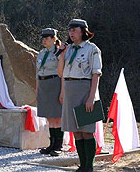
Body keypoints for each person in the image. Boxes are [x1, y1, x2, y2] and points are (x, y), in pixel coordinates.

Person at [57, 19, 102, 172]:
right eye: (70, 31)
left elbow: (96, 74)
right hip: (70, 90)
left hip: (85, 89)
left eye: (74, 30)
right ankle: (82, 165)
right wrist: (62, 54)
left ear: (83, 31)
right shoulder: (68, 49)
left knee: (87, 130)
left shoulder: (92, 49)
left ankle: (89, 166)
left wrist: (91, 98)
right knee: (76, 131)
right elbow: (61, 73)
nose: (71, 33)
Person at [36, 28, 63, 156]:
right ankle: (51, 144)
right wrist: (37, 89)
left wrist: (62, 91)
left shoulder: (59, 53)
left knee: (57, 117)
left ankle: (58, 145)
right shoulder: (41, 53)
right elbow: (37, 73)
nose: (44, 41)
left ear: (54, 39)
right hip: (43, 84)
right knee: (49, 117)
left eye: (47, 38)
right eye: (43, 38)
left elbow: (62, 73)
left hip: (54, 83)